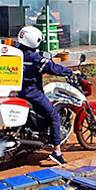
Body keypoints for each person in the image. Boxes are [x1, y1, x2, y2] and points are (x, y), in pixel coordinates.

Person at [16, 26, 77, 165]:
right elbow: (53, 67)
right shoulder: (35, 58)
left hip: (17, 91)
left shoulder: (16, 52)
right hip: (32, 93)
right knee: (54, 115)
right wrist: (70, 72)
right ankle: (57, 152)